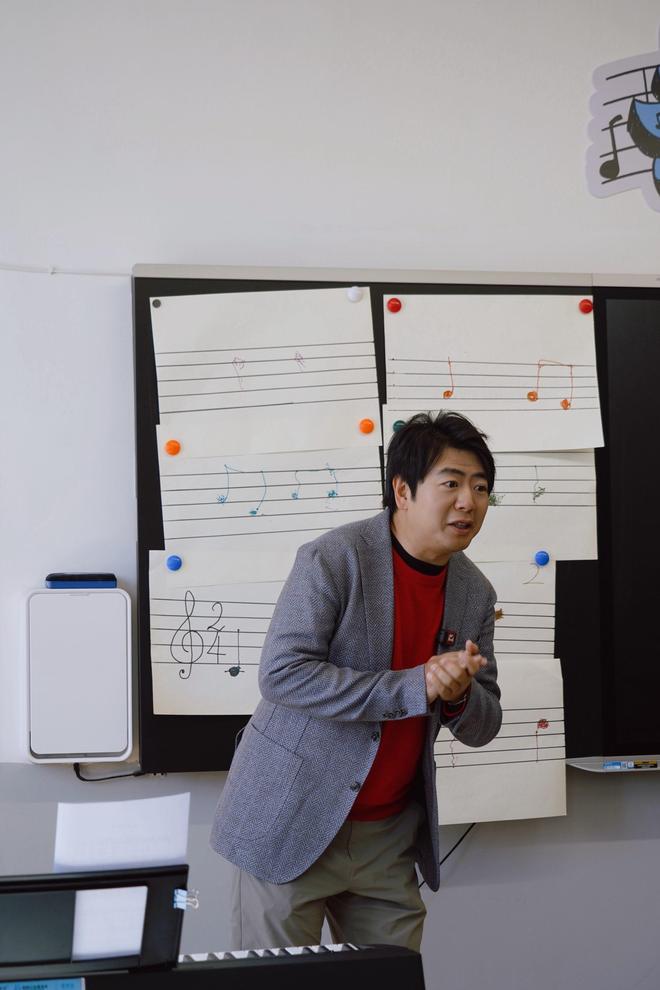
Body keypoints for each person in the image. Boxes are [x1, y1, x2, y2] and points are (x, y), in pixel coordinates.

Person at [210, 411, 502, 952]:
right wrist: (415, 686)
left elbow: (486, 724)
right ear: (403, 491)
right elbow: (283, 674)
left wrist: (459, 694)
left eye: (481, 488)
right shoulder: (334, 558)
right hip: (291, 817)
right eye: (452, 484)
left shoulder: (475, 593)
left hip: (388, 837)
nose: (469, 501)